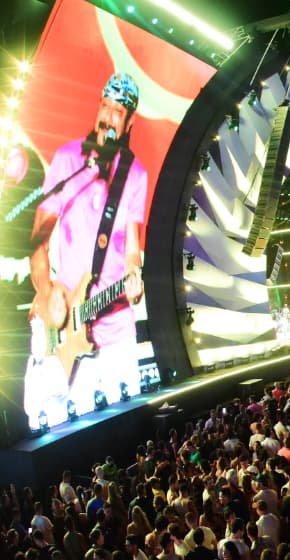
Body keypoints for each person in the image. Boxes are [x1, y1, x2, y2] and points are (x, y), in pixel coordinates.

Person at [26, 72, 148, 428]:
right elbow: (38, 240)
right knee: (59, 432)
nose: (108, 116)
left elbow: (131, 249)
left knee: (127, 434)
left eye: (118, 111)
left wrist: (134, 275)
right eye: (105, 106)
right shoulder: (68, 160)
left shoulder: (135, 175)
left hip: (115, 328)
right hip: (67, 327)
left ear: (130, 121)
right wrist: (47, 293)